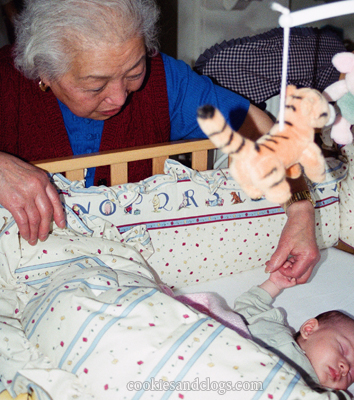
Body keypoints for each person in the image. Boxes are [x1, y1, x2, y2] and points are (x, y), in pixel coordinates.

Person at [0, 0, 318, 287]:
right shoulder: (6, 84)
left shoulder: (165, 79)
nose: (120, 97)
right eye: (95, 86)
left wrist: (301, 211)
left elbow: (256, 127)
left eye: (133, 72)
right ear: (44, 70)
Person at [234, 270, 354, 392]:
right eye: (342, 349)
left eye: (352, 376)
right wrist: (275, 283)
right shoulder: (273, 329)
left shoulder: (321, 394)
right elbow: (249, 305)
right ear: (309, 329)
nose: (345, 368)